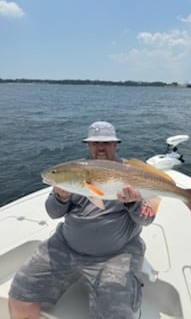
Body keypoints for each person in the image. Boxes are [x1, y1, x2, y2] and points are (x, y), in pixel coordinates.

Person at [8, 121, 156, 319]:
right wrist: (61, 196)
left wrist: (133, 203)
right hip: (66, 247)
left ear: (116, 144)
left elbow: (147, 219)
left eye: (106, 143)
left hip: (116, 255)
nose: (100, 147)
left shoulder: (133, 173)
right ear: (88, 145)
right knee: (20, 294)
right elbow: (53, 213)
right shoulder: (74, 171)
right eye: (94, 143)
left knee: (115, 315)